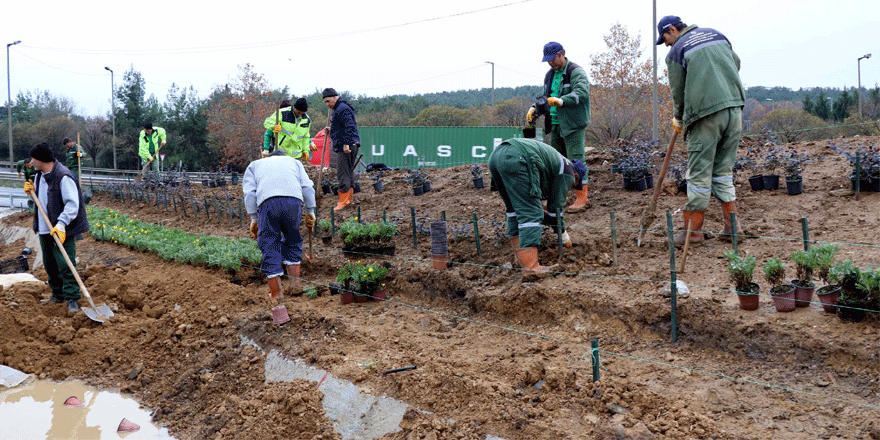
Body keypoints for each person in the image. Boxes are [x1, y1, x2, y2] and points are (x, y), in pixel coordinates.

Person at [656, 15, 745, 246]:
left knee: (698, 175)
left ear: (672, 30)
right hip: (735, 110)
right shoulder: (717, 35)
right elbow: (735, 64)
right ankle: (733, 229)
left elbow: (678, 91)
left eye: (665, 39)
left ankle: (693, 233)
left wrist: (678, 118)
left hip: (705, 116)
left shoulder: (677, 51)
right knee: (723, 171)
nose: (666, 44)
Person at [488, 138, 586, 274]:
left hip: (497, 156)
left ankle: (521, 259)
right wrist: (563, 234)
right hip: (518, 157)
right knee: (531, 213)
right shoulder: (568, 172)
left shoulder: (558, 161)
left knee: (514, 210)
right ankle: (531, 267)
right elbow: (556, 209)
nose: (570, 188)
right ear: (576, 176)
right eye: (573, 185)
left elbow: (549, 212)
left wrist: (548, 217)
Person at [24, 143, 89, 312]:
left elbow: (72, 205)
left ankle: (72, 297)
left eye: (33, 158)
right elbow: (43, 198)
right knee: (50, 264)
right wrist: (32, 191)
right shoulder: (39, 176)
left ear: (41, 159)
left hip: (61, 229)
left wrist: (61, 224)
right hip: (45, 228)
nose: (31, 162)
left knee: (65, 263)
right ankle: (57, 294)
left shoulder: (63, 176)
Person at [243, 150, 317, 299]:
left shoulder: (255, 165)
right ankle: (295, 285)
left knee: (269, 243)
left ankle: (276, 293)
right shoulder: (295, 163)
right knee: (293, 239)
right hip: (293, 202)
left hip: (268, 202)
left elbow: (250, 193)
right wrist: (311, 211)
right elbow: (307, 187)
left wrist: (253, 218)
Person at [527, 42, 591, 210]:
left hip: (573, 124)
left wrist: (561, 101)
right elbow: (546, 97)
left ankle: (582, 197)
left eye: (553, 59)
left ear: (562, 54)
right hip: (555, 124)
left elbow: (582, 94)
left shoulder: (575, 72)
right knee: (556, 162)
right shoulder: (549, 75)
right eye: (547, 60)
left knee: (576, 160)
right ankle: (558, 198)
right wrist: (534, 109)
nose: (550, 63)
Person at [322, 88, 360, 211]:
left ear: (335, 97)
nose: (327, 104)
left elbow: (349, 127)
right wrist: (332, 129)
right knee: (348, 172)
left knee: (342, 173)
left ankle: (344, 201)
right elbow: (342, 127)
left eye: (328, 101)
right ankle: (348, 199)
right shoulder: (340, 108)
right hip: (349, 143)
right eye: (325, 102)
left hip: (347, 145)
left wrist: (346, 144)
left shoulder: (342, 109)